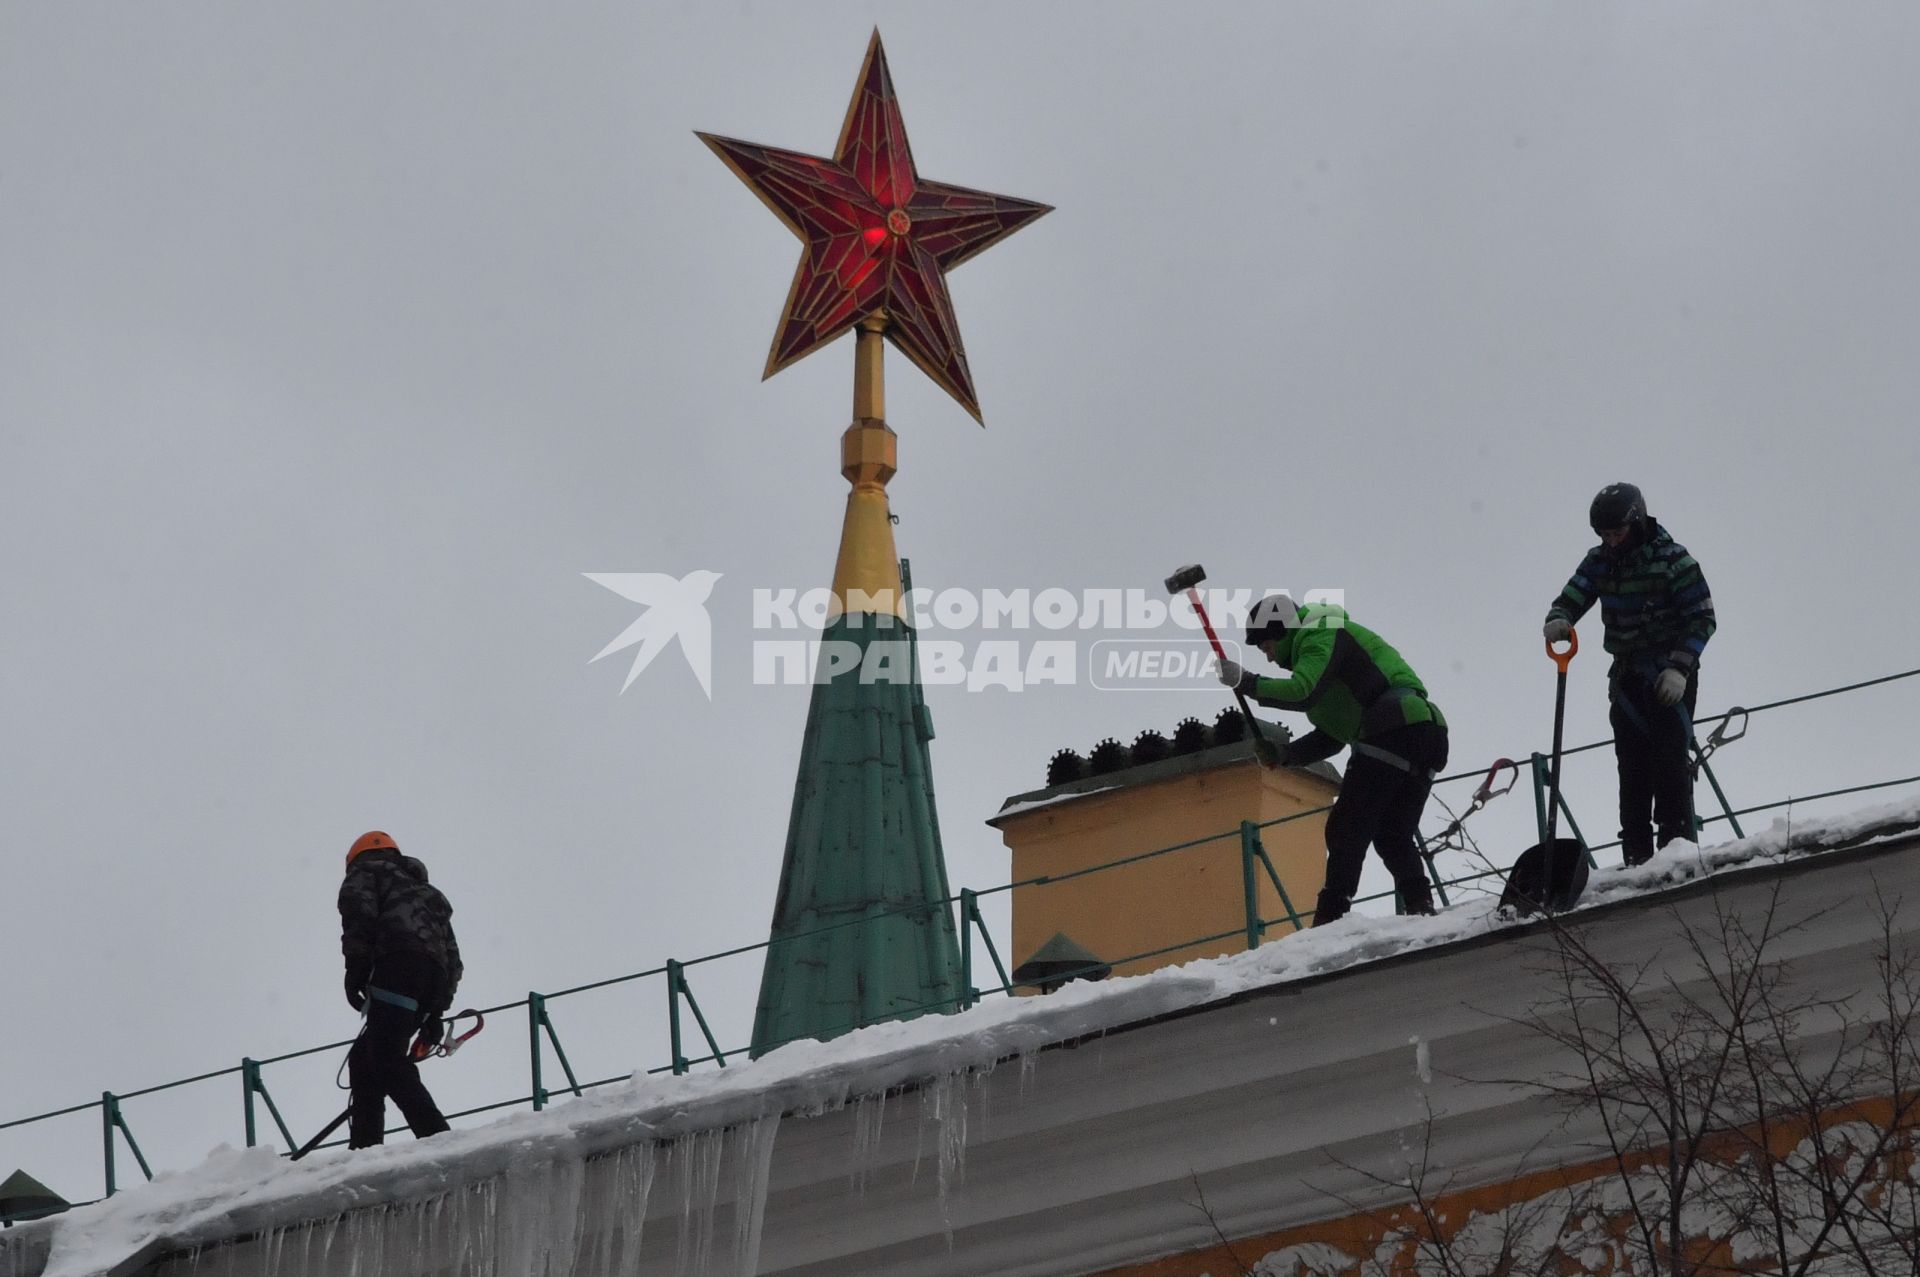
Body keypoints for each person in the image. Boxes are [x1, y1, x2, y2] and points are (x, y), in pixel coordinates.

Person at [1217, 594, 1449, 926]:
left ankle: (1330, 919)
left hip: (1392, 727)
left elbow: (1302, 691)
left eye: (1267, 646)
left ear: (1282, 630)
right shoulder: (1324, 663)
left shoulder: (1320, 634)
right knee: (1391, 833)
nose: (1268, 657)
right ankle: (1420, 904)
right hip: (1424, 735)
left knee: (1345, 827)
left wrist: (1248, 682)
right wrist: (1286, 755)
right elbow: (1332, 736)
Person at [1543, 482, 1716, 866]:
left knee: (1670, 761)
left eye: (1617, 532)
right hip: (1626, 677)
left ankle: (1676, 851)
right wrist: (1560, 618)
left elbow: (1702, 618)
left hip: (1669, 673)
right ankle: (1637, 857)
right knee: (1631, 766)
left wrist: (1679, 668)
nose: (1612, 541)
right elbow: (1574, 594)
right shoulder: (1599, 561)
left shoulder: (1674, 561)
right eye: (1604, 535)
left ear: (1635, 524)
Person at [338, 830, 462, 1148]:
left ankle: (436, 1136)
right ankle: (365, 1147)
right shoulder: (429, 894)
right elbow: (452, 959)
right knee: (364, 1060)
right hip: (430, 981)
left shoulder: (365, 874)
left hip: (396, 967)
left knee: (387, 1059)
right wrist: (435, 1013)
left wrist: (355, 973)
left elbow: (359, 921)